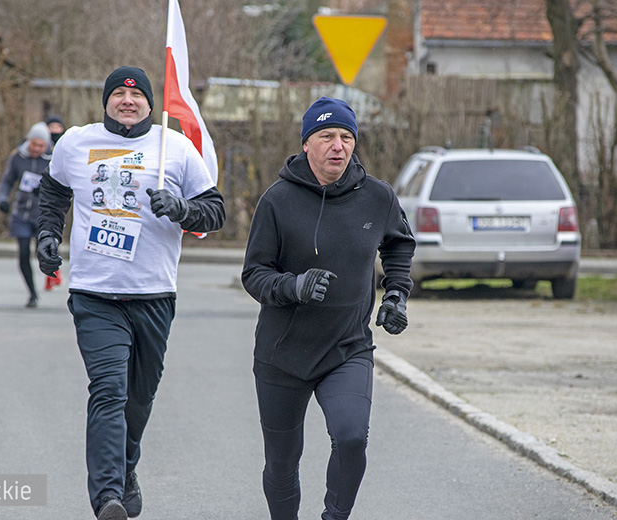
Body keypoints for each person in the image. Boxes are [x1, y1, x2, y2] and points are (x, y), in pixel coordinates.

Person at [35, 66, 225, 520]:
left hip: (154, 293)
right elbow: (53, 195)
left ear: (149, 103)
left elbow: (214, 211)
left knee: (138, 399)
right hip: (95, 293)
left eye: (135, 94)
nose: (127, 99)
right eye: (118, 92)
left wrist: (182, 208)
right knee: (108, 391)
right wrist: (46, 234)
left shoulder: (173, 148)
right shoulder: (75, 143)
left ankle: (125, 466)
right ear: (105, 101)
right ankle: (107, 498)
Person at [241, 97, 416, 520]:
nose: (338, 145)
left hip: (347, 349)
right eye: (326, 136)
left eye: (346, 136)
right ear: (306, 144)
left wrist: (396, 293)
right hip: (282, 355)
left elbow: (399, 245)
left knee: (352, 437)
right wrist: (293, 286)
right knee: (282, 462)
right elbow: (254, 274)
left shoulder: (378, 197)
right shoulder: (277, 200)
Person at [0, 121, 53, 307]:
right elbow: (7, 181)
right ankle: (32, 293)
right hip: (21, 214)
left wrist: (45, 191)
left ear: (47, 145)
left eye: (41, 145)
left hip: (43, 214)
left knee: (41, 253)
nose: (36, 149)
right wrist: (2, 199)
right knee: (23, 253)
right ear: (29, 141)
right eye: (34, 144)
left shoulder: (52, 159)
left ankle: (49, 278)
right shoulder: (17, 157)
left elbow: (62, 187)